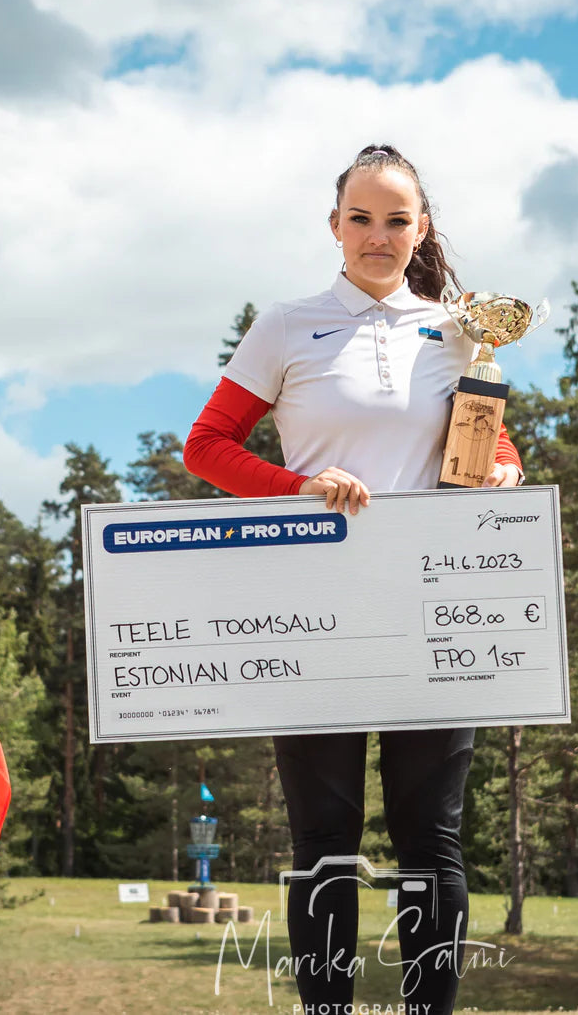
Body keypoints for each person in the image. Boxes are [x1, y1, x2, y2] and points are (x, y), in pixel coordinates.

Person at [183, 144, 524, 1015]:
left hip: (432, 609)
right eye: (361, 218)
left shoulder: (459, 329)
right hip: (317, 611)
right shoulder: (288, 324)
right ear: (334, 226)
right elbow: (206, 446)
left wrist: (503, 474)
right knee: (326, 839)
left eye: (397, 219)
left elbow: (492, 447)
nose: (379, 235)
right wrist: (297, 486)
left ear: (422, 229)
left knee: (431, 838)